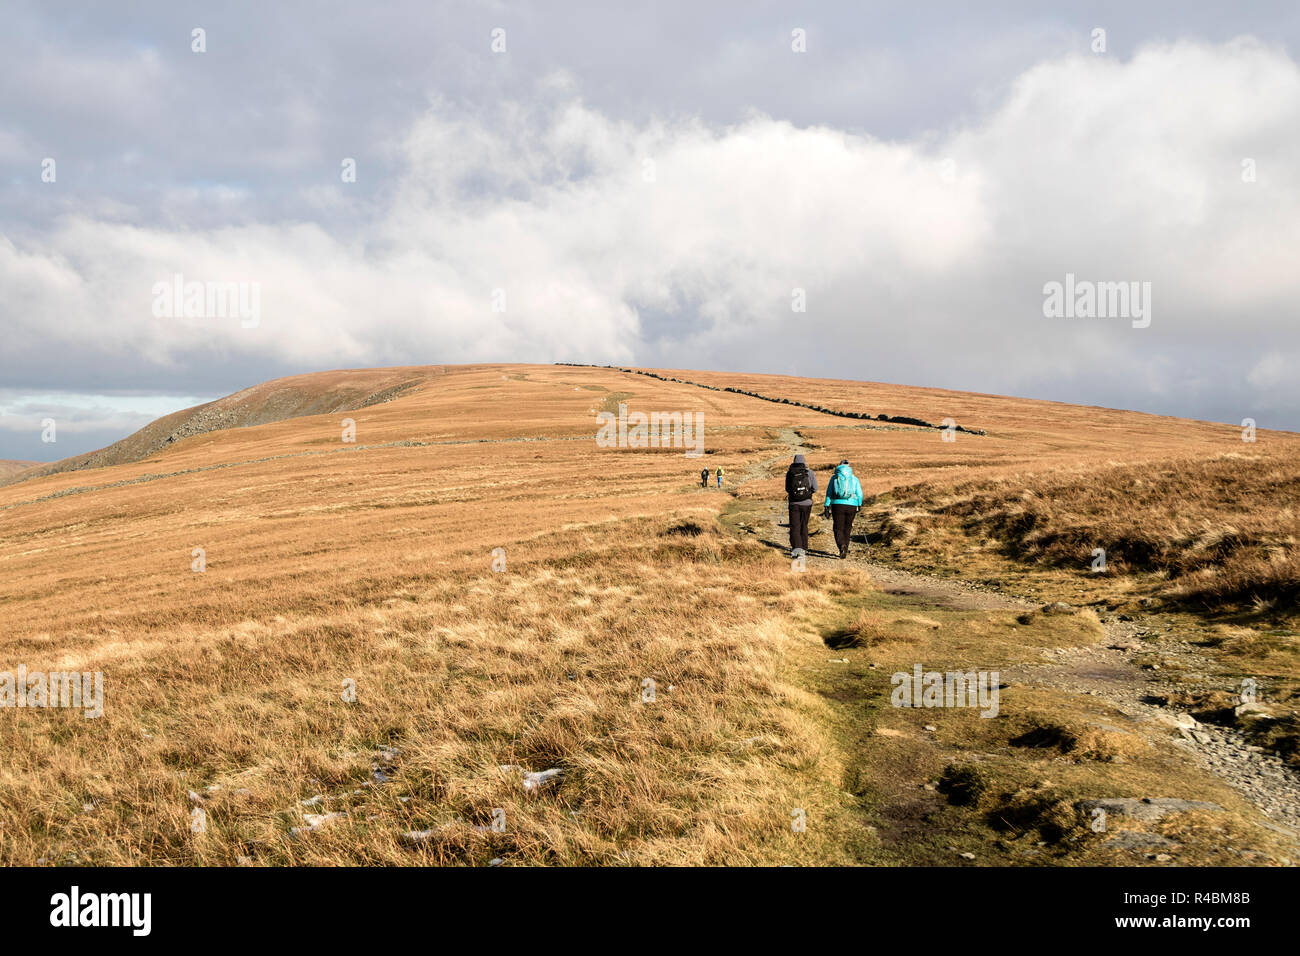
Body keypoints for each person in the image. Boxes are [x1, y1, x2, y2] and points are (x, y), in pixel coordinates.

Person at [822, 459, 863, 559]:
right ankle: (845, 547)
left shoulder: (834, 477)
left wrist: (827, 505)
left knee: (838, 527)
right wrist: (859, 504)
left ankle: (841, 546)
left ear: (839, 467)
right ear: (849, 467)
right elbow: (860, 493)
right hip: (852, 505)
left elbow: (829, 493)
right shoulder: (854, 478)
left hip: (837, 505)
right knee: (847, 528)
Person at [784, 454, 817, 558]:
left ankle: (797, 549)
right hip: (807, 503)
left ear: (794, 461)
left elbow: (787, 489)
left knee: (795, 526)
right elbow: (815, 488)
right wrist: (808, 493)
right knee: (804, 525)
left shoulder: (790, 473)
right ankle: (804, 547)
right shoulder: (809, 472)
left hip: (794, 504)